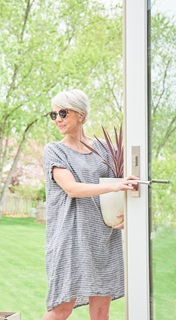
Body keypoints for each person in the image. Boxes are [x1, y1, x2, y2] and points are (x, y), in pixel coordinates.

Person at [42, 89, 138, 320]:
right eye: (53, 115)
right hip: (70, 239)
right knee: (61, 309)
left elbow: (121, 184)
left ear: (81, 115)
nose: (58, 120)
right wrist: (117, 187)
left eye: (63, 113)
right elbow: (72, 189)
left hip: (103, 239)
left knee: (101, 311)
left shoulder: (106, 150)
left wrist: (125, 211)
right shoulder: (54, 150)